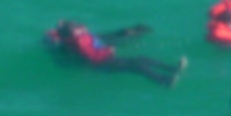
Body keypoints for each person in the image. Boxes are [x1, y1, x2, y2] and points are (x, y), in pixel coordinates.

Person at [44, 20, 185, 86]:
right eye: (80, 30)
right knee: (136, 66)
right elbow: (92, 57)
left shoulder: (77, 35)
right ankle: (164, 80)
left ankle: (171, 68)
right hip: (103, 64)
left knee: (140, 59)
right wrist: (108, 50)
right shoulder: (79, 43)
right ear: (73, 35)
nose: (84, 29)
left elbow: (61, 30)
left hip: (105, 57)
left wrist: (60, 26)